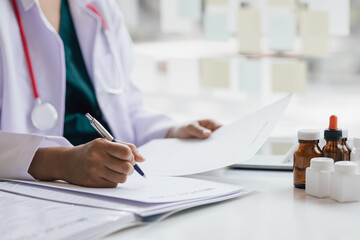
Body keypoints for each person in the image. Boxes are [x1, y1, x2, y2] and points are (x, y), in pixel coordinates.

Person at [0, 0, 221, 188]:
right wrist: (58, 162)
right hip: (33, 196)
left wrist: (172, 132)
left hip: (112, 187)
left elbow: (125, 108)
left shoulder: (100, 6)